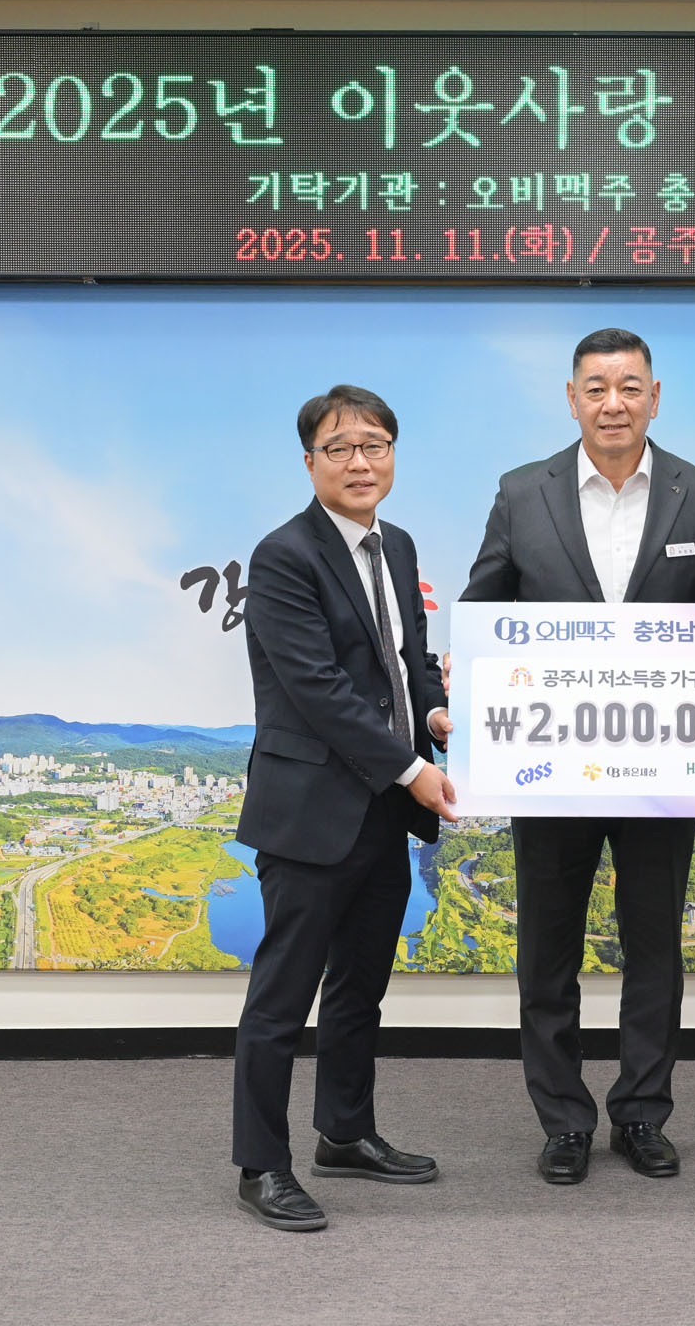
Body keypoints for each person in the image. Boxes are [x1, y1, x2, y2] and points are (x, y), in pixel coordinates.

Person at [461, 327, 695, 1185]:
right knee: (547, 949)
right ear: (571, 398)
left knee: (654, 946)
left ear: (654, 397)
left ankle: (642, 1113)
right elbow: (483, 611)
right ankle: (563, 1121)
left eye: (629, 387)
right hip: (551, 769)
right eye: (596, 387)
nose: (612, 403)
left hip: (665, 769)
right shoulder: (522, 492)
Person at [231, 384, 457, 1232]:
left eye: (375, 446)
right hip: (310, 811)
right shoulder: (283, 556)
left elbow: (409, 661)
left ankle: (346, 1133)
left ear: (393, 455)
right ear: (310, 463)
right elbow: (319, 691)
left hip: (382, 812)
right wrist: (413, 769)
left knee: (361, 988)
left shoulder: (396, 546)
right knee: (282, 999)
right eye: (340, 448)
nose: (360, 462)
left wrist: (437, 713)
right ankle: (261, 1164)